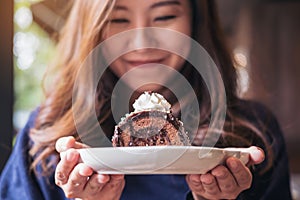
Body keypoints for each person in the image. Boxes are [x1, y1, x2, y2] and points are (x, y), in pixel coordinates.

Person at [0, 0, 292, 199]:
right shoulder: (46, 138)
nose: (142, 42)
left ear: (196, 20)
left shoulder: (252, 134)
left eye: (164, 16)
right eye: (118, 18)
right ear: (92, 28)